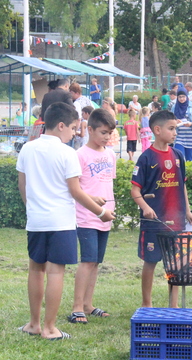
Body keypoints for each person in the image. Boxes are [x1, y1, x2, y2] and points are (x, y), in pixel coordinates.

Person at [16, 102, 114, 339]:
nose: (75, 133)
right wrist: (101, 213)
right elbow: (75, 192)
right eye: (73, 128)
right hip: (60, 223)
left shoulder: (27, 149)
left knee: (35, 270)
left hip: (36, 221)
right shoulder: (67, 153)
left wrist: (34, 209)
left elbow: (23, 186)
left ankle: (33, 324)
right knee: (56, 273)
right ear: (60, 126)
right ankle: (49, 328)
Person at [131, 109, 192, 308]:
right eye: (171, 128)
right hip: (153, 223)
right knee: (150, 262)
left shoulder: (178, 155)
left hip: (175, 221)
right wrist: (145, 207)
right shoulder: (146, 158)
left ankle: (173, 305)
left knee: (175, 264)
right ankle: (146, 303)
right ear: (157, 130)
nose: (175, 132)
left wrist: (187, 210)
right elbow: (135, 190)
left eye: (175, 128)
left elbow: (181, 184)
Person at [69, 109, 117, 324]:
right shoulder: (80, 155)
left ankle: (88, 305)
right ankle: (77, 307)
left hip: (105, 217)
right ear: (89, 130)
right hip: (86, 217)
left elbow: (108, 184)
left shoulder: (110, 154)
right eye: (103, 132)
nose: (107, 137)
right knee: (87, 261)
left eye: (110, 133)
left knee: (96, 262)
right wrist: (92, 200)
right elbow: (74, 189)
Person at [171, 89, 192, 161]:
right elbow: (169, 120)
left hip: (190, 137)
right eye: (180, 97)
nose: (181, 99)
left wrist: (191, 124)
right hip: (179, 136)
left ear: (186, 97)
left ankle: (189, 172)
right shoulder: (174, 107)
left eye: (183, 97)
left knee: (190, 160)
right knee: (179, 158)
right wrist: (175, 122)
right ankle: (180, 172)